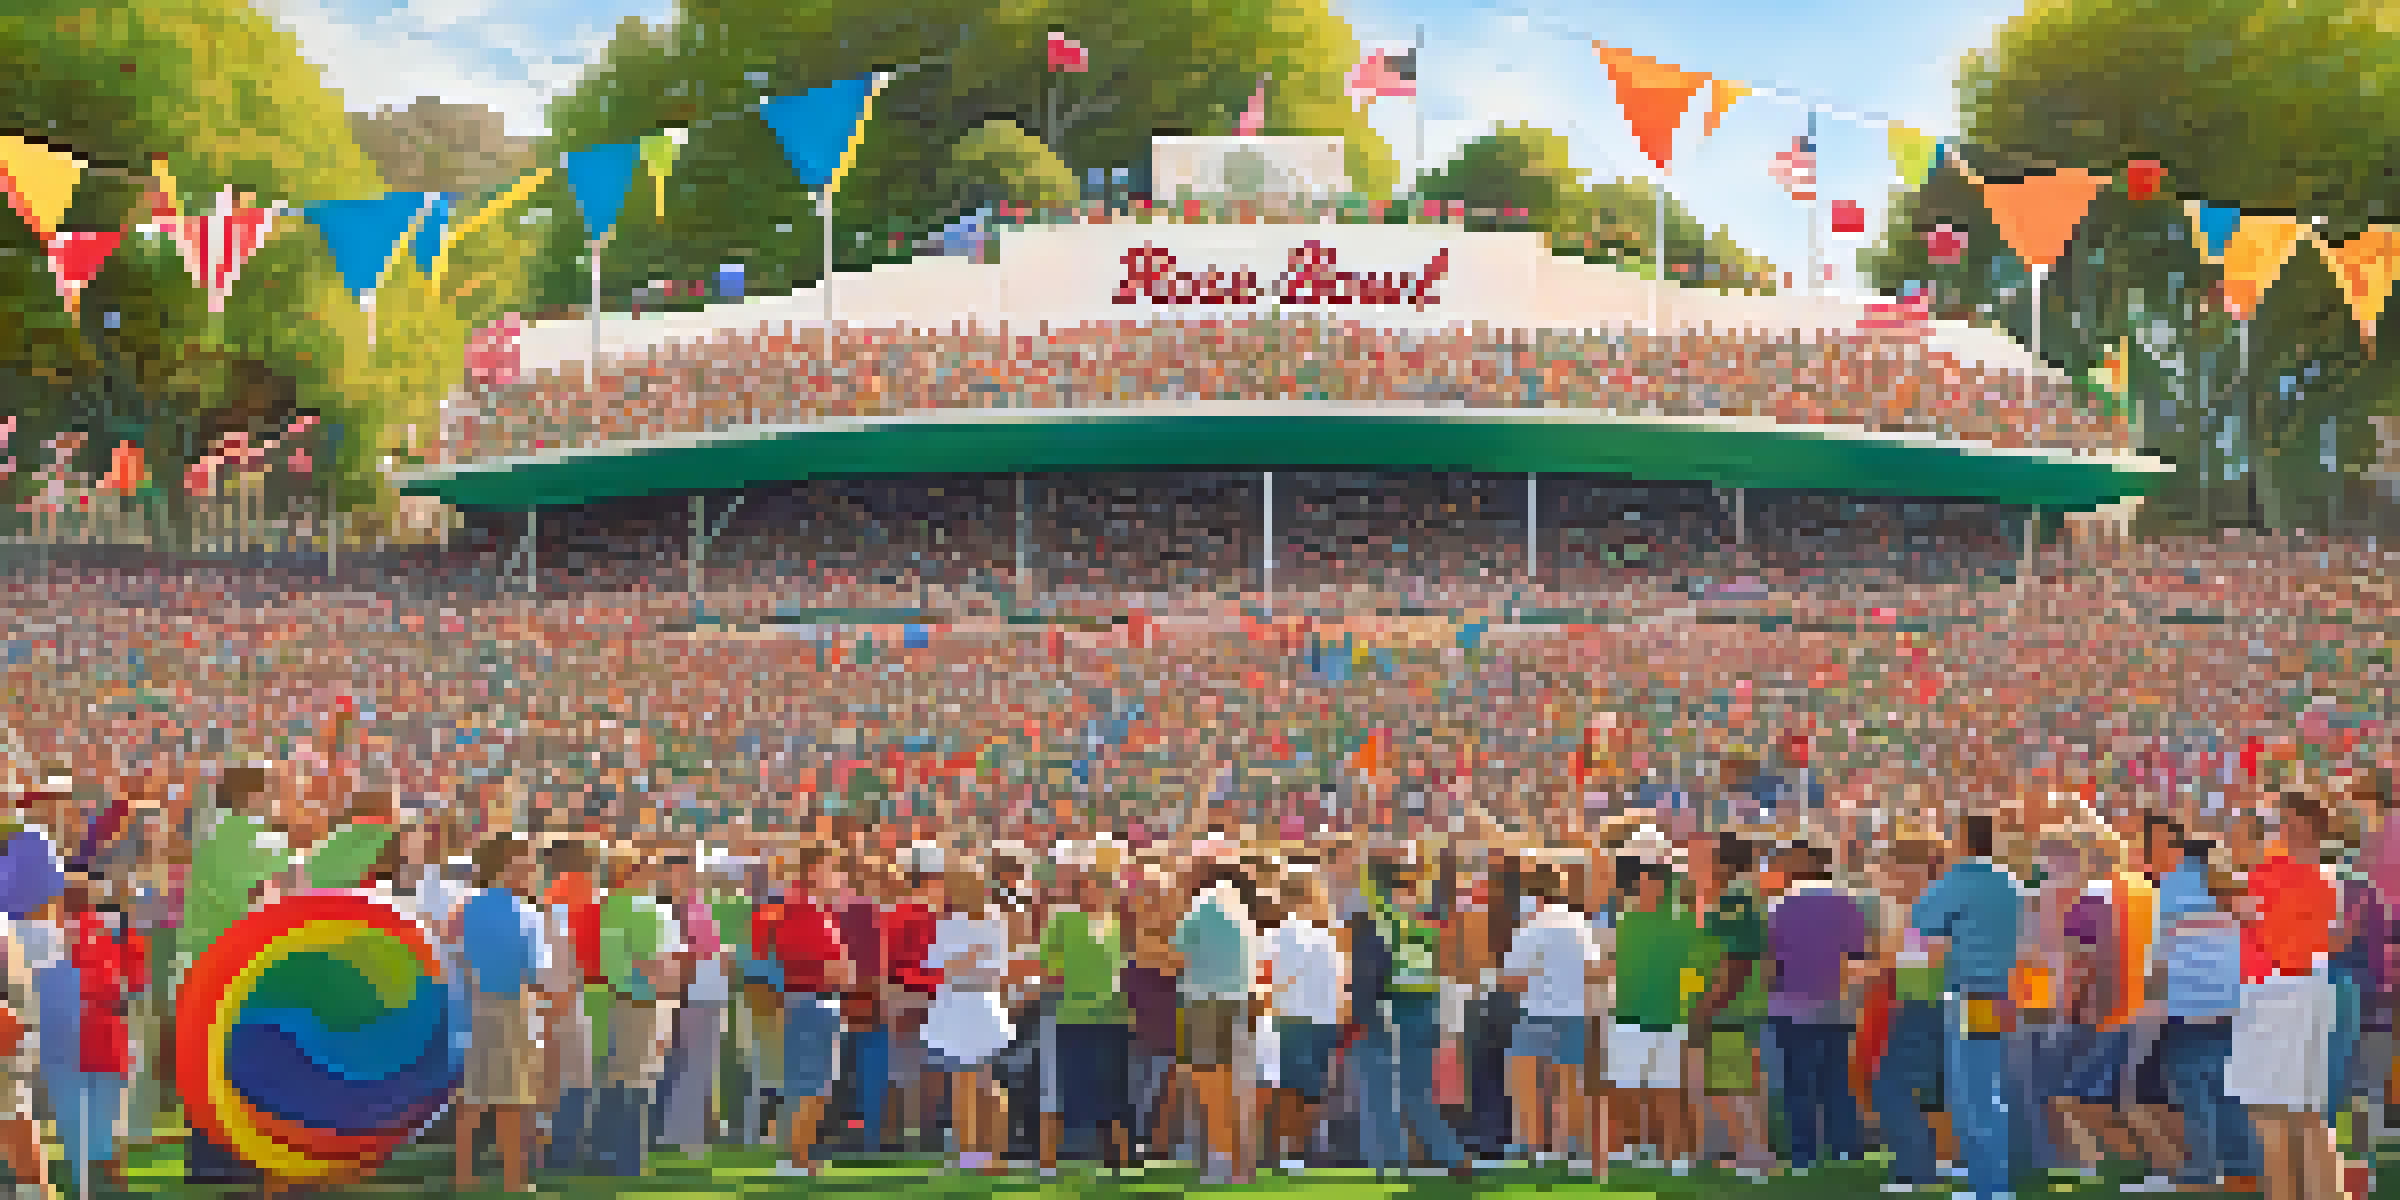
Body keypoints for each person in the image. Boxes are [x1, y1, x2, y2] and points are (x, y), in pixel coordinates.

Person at [2227, 790, 2341, 1200]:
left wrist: (2243, 913)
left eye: (2285, 821)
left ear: (2302, 826)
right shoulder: (2322, 874)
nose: (2278, 828)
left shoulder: (2276, 873)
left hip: (2276, 993)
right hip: (2303, 990)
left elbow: (2272, 942)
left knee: (2271, 1115)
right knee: (2305, 1115)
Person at [1913, 812, 2025, 1200]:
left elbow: (1920, 925)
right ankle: (1992, 1182)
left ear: (1963, 840)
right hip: (1999, 993)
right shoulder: (2009, 880)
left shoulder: (1958, 879)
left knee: (1969, 1094)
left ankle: (1990, 1189)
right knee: (1987, 1089)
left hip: (1968, 993)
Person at [2143, 823, 2259, 1193]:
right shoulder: (2235, 888)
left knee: (2191, 1087)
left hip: (2187, 1001)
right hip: (2229, 1000)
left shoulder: (2170, 889)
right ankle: (2242, 1166)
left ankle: (2203, 1168)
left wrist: (2150, 1001)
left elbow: (2159, 956)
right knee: (2228, 1085)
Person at [1350, 854, 1469, 1179]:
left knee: (1377, 1091)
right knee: (1417, 1094)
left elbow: (1368, 972)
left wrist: (1360, 1016)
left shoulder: (1377, 920)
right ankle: (1452, 1157)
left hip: (1386, 1010)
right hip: (1424, 1009)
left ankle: (1388, 1163)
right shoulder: (1422, 920)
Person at [452, 833, 548, 1194]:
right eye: (526, 860)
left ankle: (464, 1175)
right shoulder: (525, 913)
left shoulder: (467, 907)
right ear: (508, 864)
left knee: (474, 1096)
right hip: (513, 1007)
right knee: (514, 1099)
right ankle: (514, 1178)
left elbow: (457, 958)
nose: (532, 867)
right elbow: (535, 973)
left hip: (473, 1007)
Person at [1765, 839, 1868, 1175]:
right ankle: (1845, 1151)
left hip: (1792, 1007)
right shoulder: (1846, 903)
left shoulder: (1780, 905)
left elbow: (1770, 960)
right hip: (1836, 1007)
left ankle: (1803, 1155)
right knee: (1836, 1082)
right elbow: (1857, 954)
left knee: (1799, 1084)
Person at [755, 844, 855, 1178]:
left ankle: (801, 1157)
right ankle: (797, 1159)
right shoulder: (803, 910)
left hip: (814, 1001)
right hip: (809, 1000)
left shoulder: (814, 910)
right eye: (831, 868)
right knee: (810, 1084)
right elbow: (831, 967)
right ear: (813, 871)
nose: (837, 876)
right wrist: (841, 970)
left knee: (817, 1084)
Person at [1687, 830, 1773, 1179]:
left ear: (1722, 862)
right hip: (1734, 1006)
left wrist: (1707, 1007)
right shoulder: (1738, 896)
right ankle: (1752, 1153)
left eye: (1705, 859)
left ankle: (1753, 1156)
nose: (1698, 866)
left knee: (1728, 1086)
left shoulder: (1736, 898)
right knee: (1735, 1085)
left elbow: (1737, 960)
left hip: (1729, 1008)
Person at [1499, 863, 1598, 1165]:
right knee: (1569, 1086)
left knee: (1526, 1083)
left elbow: (1510, 981)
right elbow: (1594, 971)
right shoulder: (1580, 924)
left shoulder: (1531, 927)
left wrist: (1535, 974)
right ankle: (1571, 1151)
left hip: (1538, 1013)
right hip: (1574, 1014)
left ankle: (1532, 1150)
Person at [1868, 832, 1950, 1193]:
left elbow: (1926, 959)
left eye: (1888, 869)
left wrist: (1876, 965)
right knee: (1930, 1090)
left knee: (1890, 1086)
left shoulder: (1926, 907)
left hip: (1926, 1005)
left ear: (1911, 869)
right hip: (1928, 1004)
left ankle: (1916, 1172)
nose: (1883, 878)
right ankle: (1929, 1166)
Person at [1607, 852, 1698, 1174]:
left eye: (1652, 879)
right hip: (1630, 1016)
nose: (1644, 885)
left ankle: (1676, 1156)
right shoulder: (1625, 919)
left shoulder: (1684, 921)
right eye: (1642, 880)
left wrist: (1687, 1008)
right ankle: (1638, 1146)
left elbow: (1694, 971)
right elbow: (1618, 966)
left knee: (1668, 1090)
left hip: (1667, 1018)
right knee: (1626, 1088)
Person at [1262, 870, 1346, 1175]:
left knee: (1290, 1090)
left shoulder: (1280, 935)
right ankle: (1302, 1152)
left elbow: (1267, 980)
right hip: (1322, 1021)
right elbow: (1338, 983)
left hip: (1293, 1020)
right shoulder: (1325, 936)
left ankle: (1290, 1152)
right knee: (1309, 1091)